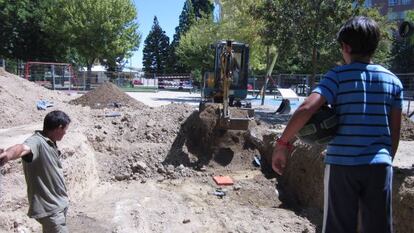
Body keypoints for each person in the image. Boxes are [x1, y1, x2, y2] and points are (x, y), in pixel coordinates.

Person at [271, 16, 403, 233]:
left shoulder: (338, 76)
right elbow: (394, 130)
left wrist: (282, 144)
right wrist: (386, 160)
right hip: (379, 166)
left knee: (339, 227)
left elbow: (306, 108)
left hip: (343, 165)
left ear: (346, 47)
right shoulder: (393, 81)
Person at [0, 110, 71, 233]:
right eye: (65, 129)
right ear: (59, 128)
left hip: (58, 206)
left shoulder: (50, 142)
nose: (66, 133)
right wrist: (7, 155)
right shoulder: (37, 141)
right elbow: (22, 148)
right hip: (52, 210)